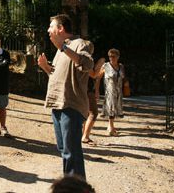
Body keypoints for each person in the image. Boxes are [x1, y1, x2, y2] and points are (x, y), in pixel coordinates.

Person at [37, 14, 93, 179]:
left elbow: (87, 64)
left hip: (71, 106)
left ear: (60, 28)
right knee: (64, 150)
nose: (48, 30)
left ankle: (76, 188)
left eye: (51, 26)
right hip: (58, 105)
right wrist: (46, 67)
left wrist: (63, 48)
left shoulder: (81, 44)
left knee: (71, 151)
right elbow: (56, 76)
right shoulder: (61, 49)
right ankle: (71, 186)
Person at [98, 48, 126, 136]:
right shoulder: (105, 66)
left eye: (113, 56)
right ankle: (111, 127)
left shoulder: (121, 66)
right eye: (110, 56)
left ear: (118, 57)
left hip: (118, 91)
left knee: (115, 108)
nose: (111, 58)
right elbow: (98, 77)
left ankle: (110, 126)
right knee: (111, 108)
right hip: (109, 91)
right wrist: (96, 90)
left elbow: (123, 77)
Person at [82, 51, 104, 144]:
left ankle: (83, 134)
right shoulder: (86, 63)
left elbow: (95, 77)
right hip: (87, 90)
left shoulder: (80, 59)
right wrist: (101, 68)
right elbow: (94, 75)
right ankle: (85, 136)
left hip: (84, 89)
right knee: (93, 113)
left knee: (85, 113)